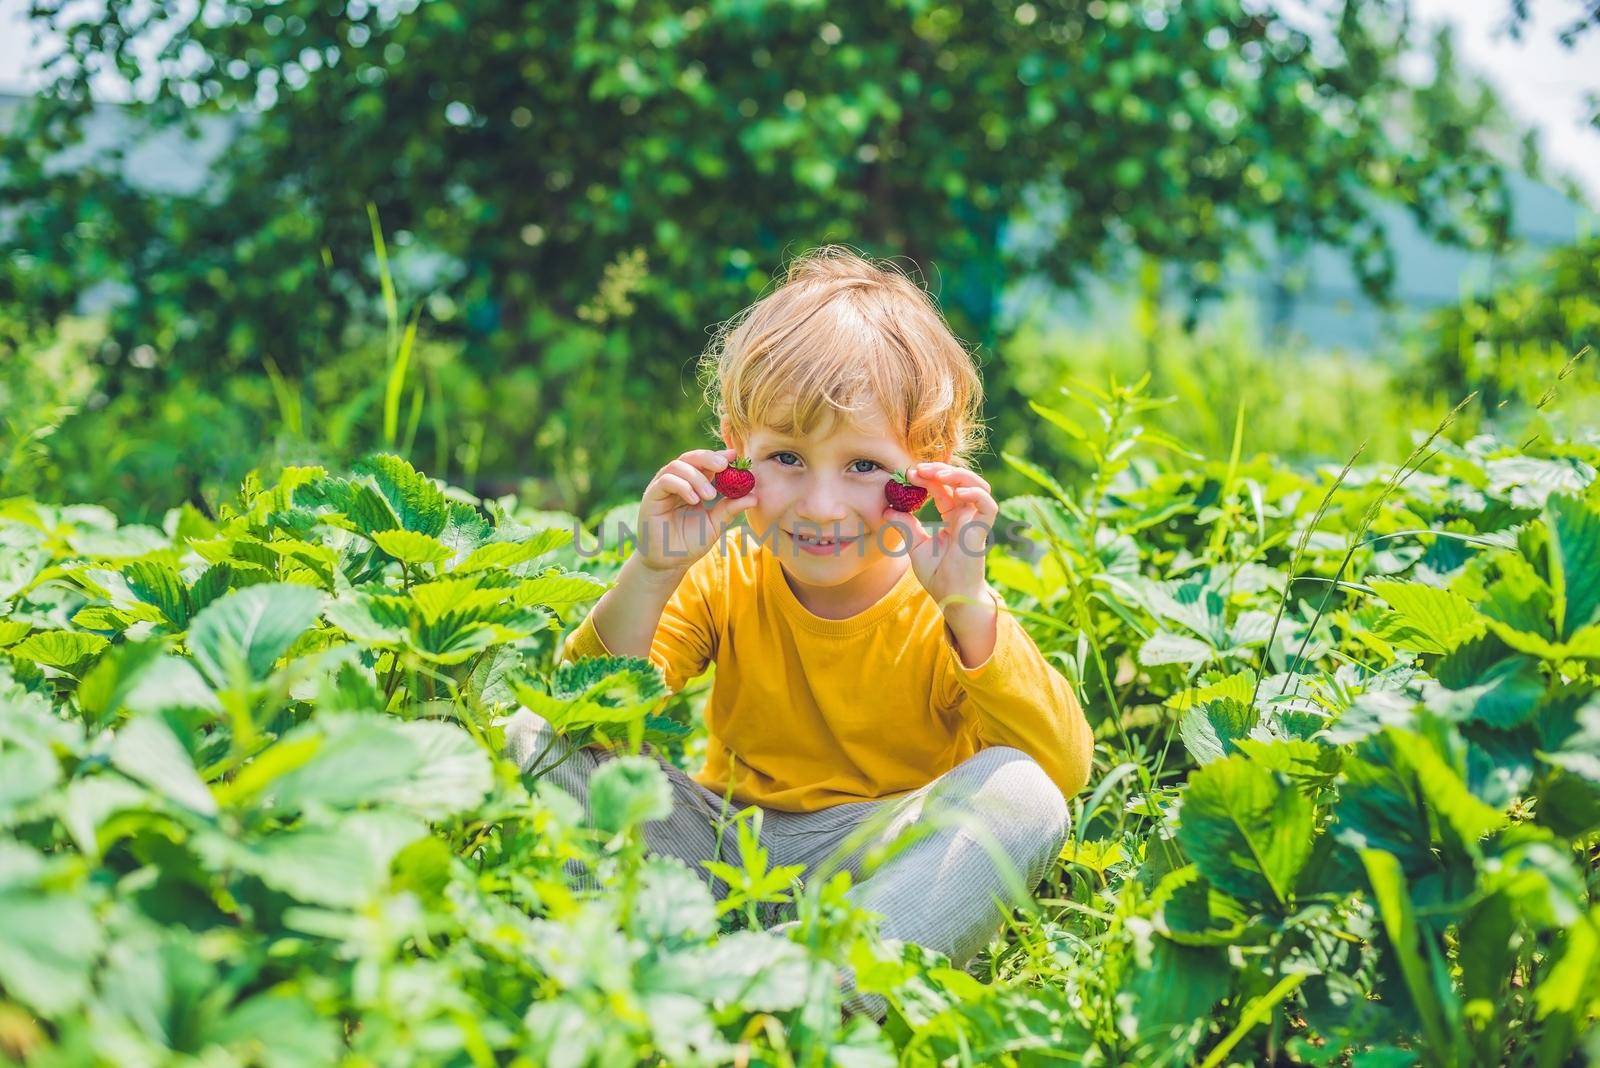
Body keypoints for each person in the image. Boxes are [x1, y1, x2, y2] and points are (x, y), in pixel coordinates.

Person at [500, 245, 1094, 1020]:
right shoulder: (726, 574)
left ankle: (813, 1001)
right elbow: (590, 718)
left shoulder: (944, 600)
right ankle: (629, 968)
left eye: (864, 467)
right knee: (539, 731)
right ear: (733, 448)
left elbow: (1063, 771)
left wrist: (969, 605)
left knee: (1022, 796)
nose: (819, 506)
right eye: (786, 457)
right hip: (721, 853)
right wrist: (651, 572)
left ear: (931, 473)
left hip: (870, 874)